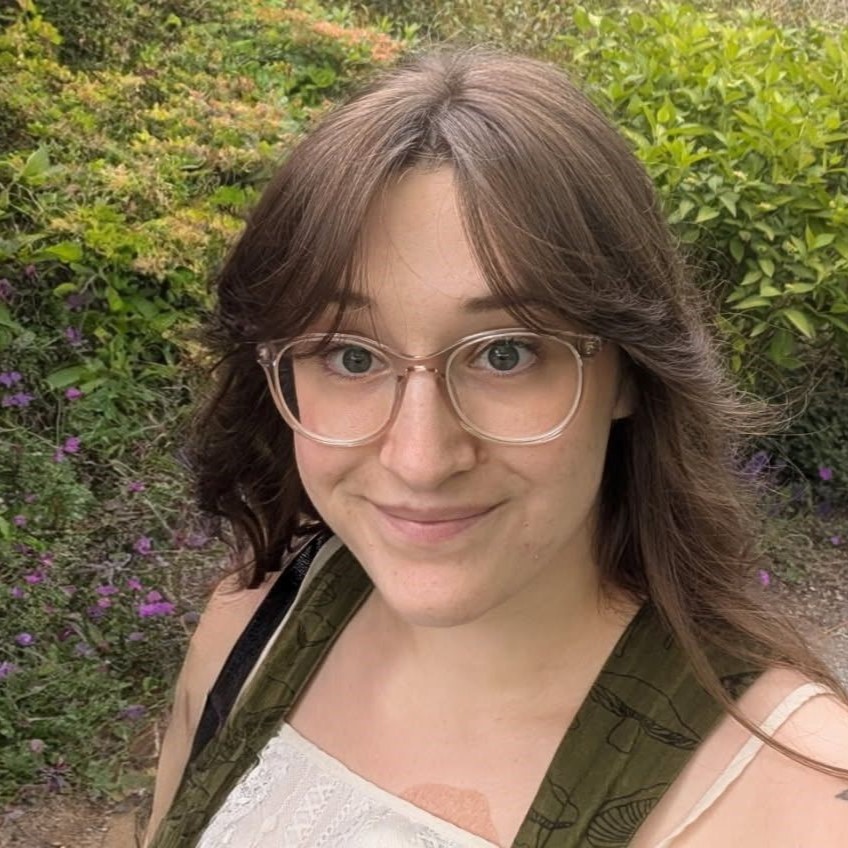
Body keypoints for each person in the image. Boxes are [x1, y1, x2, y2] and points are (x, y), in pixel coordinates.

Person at [144, 49, 848, 848]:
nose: (420, 457)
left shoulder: (791, 801)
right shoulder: (249, 626)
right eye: (349, 355)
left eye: (506, 352)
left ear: (629, 374)